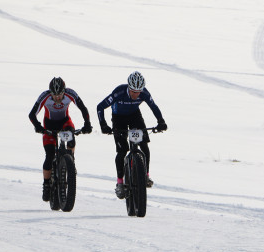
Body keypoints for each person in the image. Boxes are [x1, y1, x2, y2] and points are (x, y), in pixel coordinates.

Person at [97, 71, 167, 199]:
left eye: (138, 92)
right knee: (122, 150)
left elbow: (153, 106)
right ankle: (119, 183)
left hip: (135, 116)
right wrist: (103, 125)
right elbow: (100, 107)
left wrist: (161, 121)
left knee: (144, 145)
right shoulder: (119, 92)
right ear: (129, 88)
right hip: (118, 118)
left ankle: (145, 175)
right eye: (133, 91)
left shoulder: (144, 93)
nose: (136, 94)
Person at [29, 77, 92, 202]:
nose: (57, 98)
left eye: (60, 95)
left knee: (71, 137)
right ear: (50, 92)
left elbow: (83, 108)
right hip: (49, 125)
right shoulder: (45, 96)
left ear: (64, 91)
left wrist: (87, 124)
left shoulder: (70, 94)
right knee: (49, 154)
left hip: (64, 122)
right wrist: (38, 127)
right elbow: (32, 114)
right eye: (54, 95)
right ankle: (46, 184)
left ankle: (71, 161)